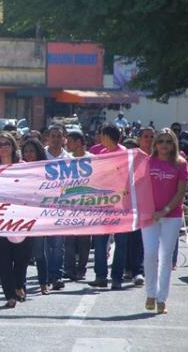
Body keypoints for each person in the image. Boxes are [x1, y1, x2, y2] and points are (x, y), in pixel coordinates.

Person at [144, 128, 188, 314]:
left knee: (165, 258)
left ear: (174, 144)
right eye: (160, 141)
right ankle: (150, 293)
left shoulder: (181, 164)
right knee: (150, 253)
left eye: (168, 141)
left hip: (172, 216)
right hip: (149, 216)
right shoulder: (147, 162)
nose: (164, 145)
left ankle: (162, 298)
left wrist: (165, 210)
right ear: (155, 144)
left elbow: (181, 192)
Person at [0, 132, 35, 308]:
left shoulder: (23, 166)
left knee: (22, 257)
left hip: (21, 217)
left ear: (13, 146)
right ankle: (9, 294)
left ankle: (19, 285)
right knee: (3, 258)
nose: (3, 147)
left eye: (6, 144)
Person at [89, 124, 128, 290]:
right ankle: (100, 276)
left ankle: (117, 277)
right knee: (99, 241)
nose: (100, 139)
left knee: (121, 242)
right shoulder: (103, 154)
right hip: (104, 204)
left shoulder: (125, 154)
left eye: (102, 136)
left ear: (108, 137)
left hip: (121, 204)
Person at [21, 138, 50, 295]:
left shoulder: (46, 169)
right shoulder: (19, 169)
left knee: (39, 252)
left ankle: (43, 284)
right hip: (23, 215)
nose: (29, 154)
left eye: (31, 151)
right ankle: (21, 286)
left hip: (39, 215)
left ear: (38, 152)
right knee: (24, 253)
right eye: (26, 151)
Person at [44, 125, 71, 290]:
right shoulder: (42, 155)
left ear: (64, 139)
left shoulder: (69, 158)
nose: (55, 139)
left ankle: (57, 275)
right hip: (43, 206)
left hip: (62, 205)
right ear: (48, 138)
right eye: (52, 136)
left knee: (58, 244)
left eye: (58, 136)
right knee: (46, 244)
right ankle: (46, 275)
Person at [64, 130, 92, 281]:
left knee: (84, 242)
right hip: (69, 206)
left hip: (87, 207)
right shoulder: (66, 160)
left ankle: (81, 269)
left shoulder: (93, 159)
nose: (67, 144)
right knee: (68, 241)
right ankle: (69, 269)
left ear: (79, 142)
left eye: (70, 141)